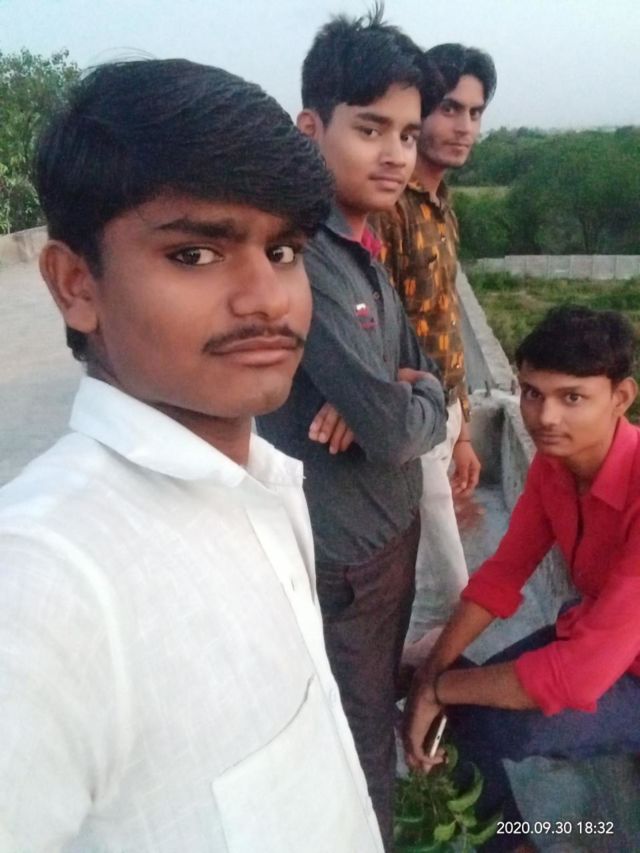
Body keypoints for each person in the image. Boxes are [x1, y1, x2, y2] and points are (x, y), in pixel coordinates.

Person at [0, 59, 386, 852]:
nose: (267, 298)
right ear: (76, 285)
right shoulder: (44, 583)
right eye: (196, 255)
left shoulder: (267, 482)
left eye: (284, 251)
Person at [257, 9, 446, 849]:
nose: (397, 153)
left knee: (365, 707)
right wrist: (399, 403)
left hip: (386, 534)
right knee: (361, 733)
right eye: (371, 129)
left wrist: (408, 389)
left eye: (407, 133)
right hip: (348, 558)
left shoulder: (362, 242)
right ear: (311, 128)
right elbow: (398, 431)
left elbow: (418, 378)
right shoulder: (311, 258)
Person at [403, 306, 640, 851]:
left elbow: (579, 677)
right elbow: (503, 574)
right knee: (437, 691)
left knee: (471, 720)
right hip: (599, 639)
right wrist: (431, 676)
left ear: (621, 397)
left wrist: (439, 689)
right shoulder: (555, 468)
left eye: (572, 397)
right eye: (532, 393)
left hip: (622, 671)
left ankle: (508, 842)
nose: (545, 416)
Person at [375, 43, 497, 653]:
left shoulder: (440, 207)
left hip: (443, 414)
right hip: (407, 418)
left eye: (475, 112)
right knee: (446, 592)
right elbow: (370, 324)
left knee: (433, 591)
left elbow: (444, 320)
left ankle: (405, 694)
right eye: (450, 108)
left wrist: (464, 430)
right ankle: (405, 698)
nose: (465, 126)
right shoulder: (389, 209)